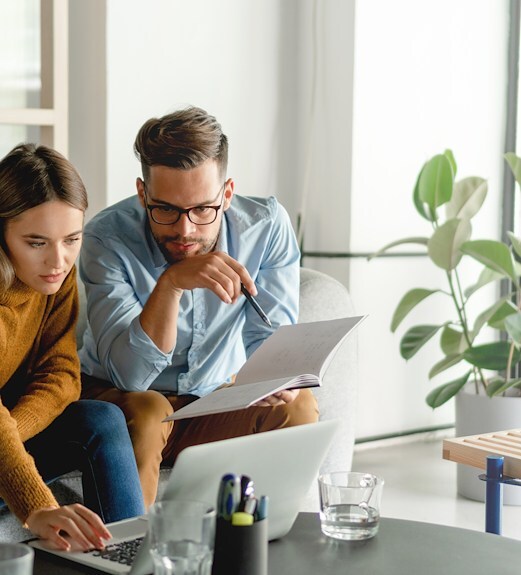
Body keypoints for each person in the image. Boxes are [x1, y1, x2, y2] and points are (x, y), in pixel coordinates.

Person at [79, 105, 319, 508]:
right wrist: (171, 284)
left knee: (299, 408)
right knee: (151, 407)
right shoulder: (106, 239)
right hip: (121, 397)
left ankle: (267, 547)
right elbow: (130, 375)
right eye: (166, 210)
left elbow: (269, 337)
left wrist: (274, 380)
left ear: (226, 195)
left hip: (211, 398)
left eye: (202, 210)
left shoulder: (266, 225)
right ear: (143, 194)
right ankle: (128, 557)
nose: (185, 230)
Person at [0, 143, 144, 551]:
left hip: (5, 432)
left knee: (99, 419)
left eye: (72, 239)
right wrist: (37, 507)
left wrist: (13, 428)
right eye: (36, 242)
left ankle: (129, 554)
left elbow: (62, 376)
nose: (58, 261)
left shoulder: (54, 279)